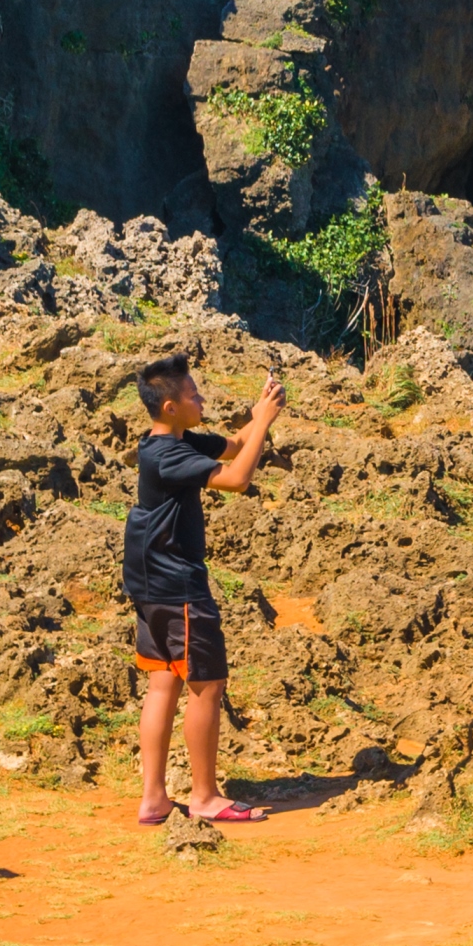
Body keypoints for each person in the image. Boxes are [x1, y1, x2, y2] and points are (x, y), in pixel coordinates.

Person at [125, 354, 281, 828]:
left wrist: (259, 416)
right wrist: (267, 422)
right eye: (194, 394)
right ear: (170, 406)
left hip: (150, 584)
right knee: (207, 685)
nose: (202, 399)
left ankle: (154, 798)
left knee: (164, 681)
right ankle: (205, 796)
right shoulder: (169, 456)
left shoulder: (172, 442)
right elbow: (236, 479)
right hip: (178, 587)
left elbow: (233, 446)